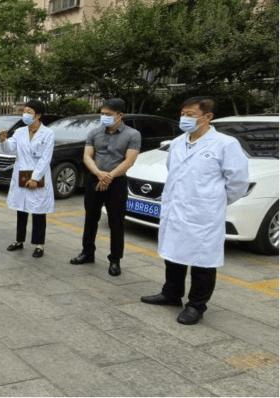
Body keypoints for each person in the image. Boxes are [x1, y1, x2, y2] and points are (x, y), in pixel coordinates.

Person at [141, 97, 248, 325]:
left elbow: (238, 183)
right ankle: (171, 294)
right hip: (176, 209)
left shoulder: (225, 144)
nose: (185, 119)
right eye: (183, 114)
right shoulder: (179, 142)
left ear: (207, 117)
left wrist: (212, 201)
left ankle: (196, 305)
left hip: (204, 215)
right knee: (173, 255)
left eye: (190, 114)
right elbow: (173, 170)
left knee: (203, 262)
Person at [71, 98, 141, 276]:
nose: (104, 117)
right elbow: (87, 156)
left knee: (116, 222)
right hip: (95, 178)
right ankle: (87, 253)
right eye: (102, 114)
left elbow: (130, 160)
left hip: (117, 181)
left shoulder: (133, 134)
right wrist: (99, 174)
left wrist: (109, 176)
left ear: (120, 115)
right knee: (90, 218)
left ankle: (115, 260)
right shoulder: (94, 132)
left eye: (108, 115)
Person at [0, 100, 54, 258]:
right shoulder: (20, 131)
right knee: (21, 209)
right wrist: (4, 141)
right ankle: (19, 240)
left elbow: (46, 158)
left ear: (38, 115)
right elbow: (10, 149)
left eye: (29, 112)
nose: (25, 114)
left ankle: (39, 244)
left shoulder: (48, 133)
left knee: (38, 210)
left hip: (38, 174)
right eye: (25, 111)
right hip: (22, 173)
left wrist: (35, 178)